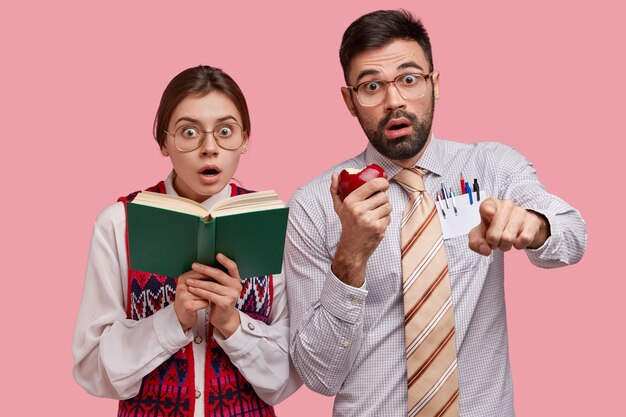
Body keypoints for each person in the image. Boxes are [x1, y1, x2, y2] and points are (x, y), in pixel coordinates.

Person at [285, 9, 587, 417]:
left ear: (435, 84)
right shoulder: (314, 204)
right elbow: (319, 376)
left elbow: (572, 236)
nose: (395, 100)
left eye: (409, 79)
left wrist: (534, 225)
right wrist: (351, 257)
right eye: (372, 86)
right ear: (350, 101)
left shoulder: (491, 167)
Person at [73, 65, 299, 417]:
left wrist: (231, 323)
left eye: (225, 131)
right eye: (189, 132)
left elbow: (287, 376)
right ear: (163, 141)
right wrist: (172, 320)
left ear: (245, 139)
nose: (209, 148)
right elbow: (91, 368)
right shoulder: (119, 224)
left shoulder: (273, 221)